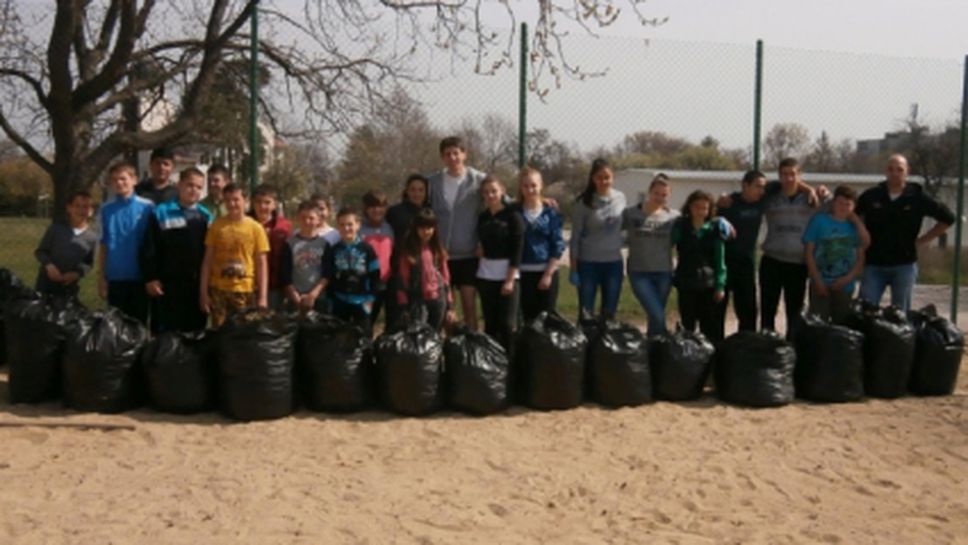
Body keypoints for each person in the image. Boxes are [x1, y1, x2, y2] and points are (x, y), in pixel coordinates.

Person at [857, 154, 955, 312]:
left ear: (907, 171)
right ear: (885, 171)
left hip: (904, 265)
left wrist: (923, 240)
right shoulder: (872, 195)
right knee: (865, 310)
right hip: (874, 264)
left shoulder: (917, 197)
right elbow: (853, 213)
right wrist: (861, 232)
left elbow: (948, 218)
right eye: (890, 169)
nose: (895, 173)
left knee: (900, 315)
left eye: (899, 169)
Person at [140, 167, 213, 332]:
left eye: (199, 187)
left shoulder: (206, 217)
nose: (194, 190)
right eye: (190, 185)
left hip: (196, 286)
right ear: (179, 185)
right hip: (167, 285)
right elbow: (149, 247)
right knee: (166, 333)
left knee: (195, 332)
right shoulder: (161, 212)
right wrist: (150, 277)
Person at [756, 158, 821, 337]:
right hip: (772, 260)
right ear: (779, 176)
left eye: (793, 174)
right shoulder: (770, 196)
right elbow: (753, 192)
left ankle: (791, 349)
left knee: (794, 311)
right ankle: (767, 348)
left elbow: (838, 205)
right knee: (768, 309)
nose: (789, 178)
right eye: (784, 174)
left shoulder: (811, 198)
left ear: (799, 175)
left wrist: (811, 190)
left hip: (798, 263)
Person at [428, 136, 488, 329]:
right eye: (447, 154)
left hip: (469, 255)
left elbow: (503, 201)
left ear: (464, 154)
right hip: (441, 256)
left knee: (469, 308)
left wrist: (541, 199)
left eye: (456, 153)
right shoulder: (433, 182)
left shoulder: (479, 180)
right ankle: (447, 351)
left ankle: (472, 349)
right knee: (444, 309)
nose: (453, 157)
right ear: (442, 157)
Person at [199, 183, 269, 327]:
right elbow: (207, 261)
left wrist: (262, 297)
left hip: (245, 290)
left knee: (244, 335)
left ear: (245, 200)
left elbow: (261, 263)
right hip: (219, 290)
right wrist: (203, 293)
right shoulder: (216, 226)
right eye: (228, 200)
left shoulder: (256, 228)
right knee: (220, 333)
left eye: (236, 199)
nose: (232, 204)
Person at [97, 162, 155, 324]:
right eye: (114, 180)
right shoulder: (105, 210)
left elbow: (154, 244)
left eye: (123, 179)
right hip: (115, 277)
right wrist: (102, 277)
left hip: (140, 278)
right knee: (116, 327)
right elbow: (103, 245)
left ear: (134, 180)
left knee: (139, 325)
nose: (119, 183)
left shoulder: (148, 207)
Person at [622, 173, 679, 335]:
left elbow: (699, 220)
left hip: (664, 272)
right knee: (657, 313)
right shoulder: (630, 213)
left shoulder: (674, 217)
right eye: (657, 193)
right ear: (649, 192)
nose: (660, 198)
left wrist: (720, 220)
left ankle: (653, 350)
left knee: (655, 316)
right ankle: (663, 340)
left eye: (664, 195)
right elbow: (610, 229)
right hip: (639, 273)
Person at [570, 158, 626, 320]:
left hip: (613, 264)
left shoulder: (620, 198)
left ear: (612, 177)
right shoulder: (584, 203)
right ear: (593, 179)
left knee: (609, 313)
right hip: (588, 264)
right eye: (599, 177)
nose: (603, 181)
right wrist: (574, 269)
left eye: (607, 177)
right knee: (586, 313)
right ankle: (587, 342)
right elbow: (575, 237)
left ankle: (605, 343)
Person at [803, 185, 867, 323]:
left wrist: (848, 278)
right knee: (818, 324)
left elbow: (861, 257)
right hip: (820, 282)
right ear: (833, 203)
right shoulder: (819, 221)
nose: (843, 207)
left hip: (845, 284)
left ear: (854, 206)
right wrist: (817, 280)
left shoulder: (854, 227)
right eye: (839, 202)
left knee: (842, 324)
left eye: (848, 204)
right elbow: (809, 253)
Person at [476, 176, 524, 353]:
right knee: (490, 324)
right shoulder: (482, 217)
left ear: (502, 191)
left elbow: (518, 248)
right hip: (486, 275)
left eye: (494, 191)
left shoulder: (513, 216)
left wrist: (510, 279)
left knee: (508, 324)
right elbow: (482, 242)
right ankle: (492, 366)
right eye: (486, 192)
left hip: (508, 275)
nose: (490, 195)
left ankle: (510, 366)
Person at [671, 190, 726, 344]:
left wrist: (720, 286)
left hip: (707, 284)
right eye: (697, 207)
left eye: (704, 208)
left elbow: (720, 260)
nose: (700, 211)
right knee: (687, 325)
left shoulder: (715, 230)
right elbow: (668, 245)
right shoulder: (681, 228)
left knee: (708, 325)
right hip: (686, 281)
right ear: (689, 207)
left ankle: (708, 360)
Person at [321, 207, 381, 335]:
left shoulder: (367, 249)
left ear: (358, 225)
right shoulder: (333, 250)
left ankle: (366, 355)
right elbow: (329, 275)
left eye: (350, 224)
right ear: (337, 226)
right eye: (342, 225)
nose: (346, 228)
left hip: (362, 300)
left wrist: (371, 298)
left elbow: (375, 274)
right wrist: (331, 298)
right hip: (339, 300)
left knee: (364, 337)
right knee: (339, 337)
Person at [516, 167, 565, 323]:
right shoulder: (514, 212)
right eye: (525, 186)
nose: (530, 190)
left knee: (547, 318)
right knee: (529, 318)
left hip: (546, 272)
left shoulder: (550, 212)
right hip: (523, 273)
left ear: (541, 185)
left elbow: (557, 244)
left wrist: (548, 274)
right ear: (520, 188)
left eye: (533, 185)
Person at [395, 208, 456, 331]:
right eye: (422, 228)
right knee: (419, 333)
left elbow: (446, 279)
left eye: (429, 228)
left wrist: (450, 306)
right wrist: (403, 304)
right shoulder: (409, 251)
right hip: (418, 300)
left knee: (436, 334)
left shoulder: (438, 250)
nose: (426, 231)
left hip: (438, 299)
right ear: (416, 228)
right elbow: (403, 279)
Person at [34, 190, 97, 298]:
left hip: (69, 287)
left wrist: (76, 274)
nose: (81, 210)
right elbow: (41, 252)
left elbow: (88, 263)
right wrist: (49, 266)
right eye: (77, 206)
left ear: (91, 211)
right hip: (45, 284)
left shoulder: (92, 238)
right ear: (69, 208)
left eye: (85, 207)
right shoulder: (55, 229)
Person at [280, 200, 329, 314]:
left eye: (311, 218)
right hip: (295, 297)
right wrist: (295, 296)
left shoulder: (325, 245)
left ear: (318, 220)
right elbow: (285, 273)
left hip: (318, 298)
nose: (307, 221)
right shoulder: (290, 244)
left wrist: (312, 296)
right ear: (298, 218)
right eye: (303, 217)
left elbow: (327, 273)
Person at [249, 184, 292, 310]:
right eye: (258, 202)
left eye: (267, 202)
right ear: (252, 203)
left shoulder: (285, 226)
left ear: (275, 204)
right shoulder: (244, 223)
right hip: (248, 285)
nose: (262, 207)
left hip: (275, 287)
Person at [360, 190, 395, 325]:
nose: (376, 210)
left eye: (380, 206)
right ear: (366, 209)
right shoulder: (359, 229)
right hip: (366, 284)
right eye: (372, 206)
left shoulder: (389, 228)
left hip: (387, 282)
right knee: (367, 322)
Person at [386, 174, 430, 242]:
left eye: (421, 190)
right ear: (407, 191)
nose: (417, 194)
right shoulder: (394, 212)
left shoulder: (430, 213)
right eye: (413, 190)